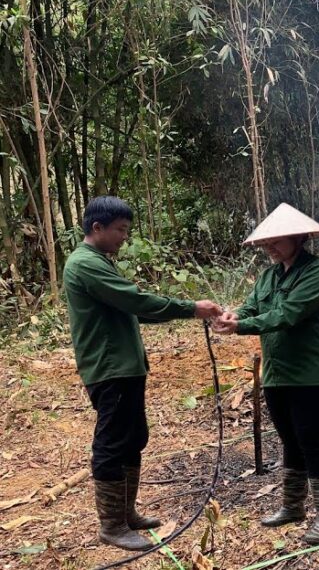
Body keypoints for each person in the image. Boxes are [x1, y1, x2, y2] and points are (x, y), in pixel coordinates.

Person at [63, 196, 222, 551]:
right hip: (109, 368)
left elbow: (134, 310)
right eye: (121, 230)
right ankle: (112, 525)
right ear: (97, 228)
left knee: (134, 437)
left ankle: (126, 512)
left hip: (124, 367)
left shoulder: (99, 262)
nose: (124, 237)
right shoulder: (85, 264)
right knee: (113, 442)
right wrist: (191, 308)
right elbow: (135, 301)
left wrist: (189, 312)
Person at [212, 203, 319, 544]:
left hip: (312, 374)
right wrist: (231, 316)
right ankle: (292, 506)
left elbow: (288, 314)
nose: (268, 246)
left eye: (275, 239)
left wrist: (240, 327)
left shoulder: (318, 273)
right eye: (265, 240)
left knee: (312, 441)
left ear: (298, 237)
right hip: (277, 374)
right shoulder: (268, 276)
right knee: (289, 441)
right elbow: (253, 307)